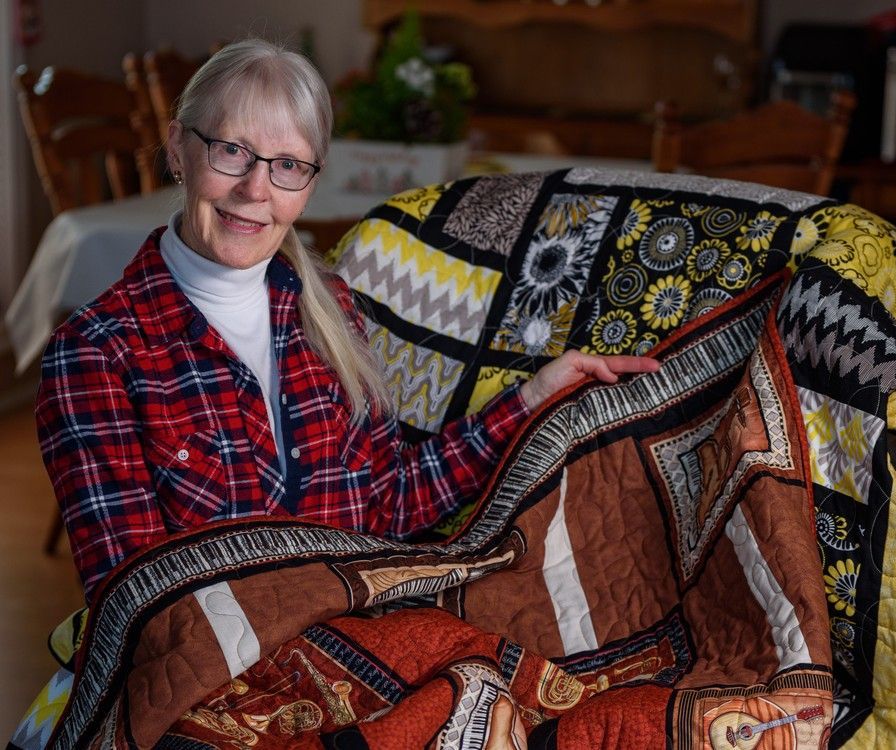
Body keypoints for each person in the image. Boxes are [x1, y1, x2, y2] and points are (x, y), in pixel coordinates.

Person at [35, 39, 658, 603]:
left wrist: (532, 399)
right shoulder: (96, 353)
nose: (257, 189)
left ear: (308, 182)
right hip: (218, 680)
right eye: (231, 151)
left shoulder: (328, 309)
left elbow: (389, 505)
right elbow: (133, 599)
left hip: (350, 637)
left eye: (288, 165)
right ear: (177, 148)